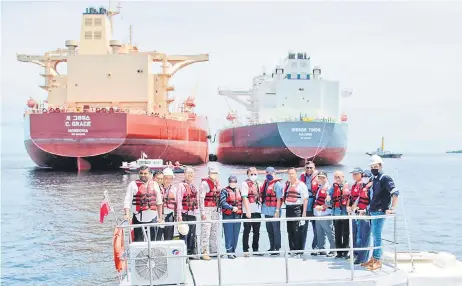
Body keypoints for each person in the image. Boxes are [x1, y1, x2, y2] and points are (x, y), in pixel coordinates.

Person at [363, 155, 399, 270]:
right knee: (374, 235)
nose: (373, 168)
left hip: (380, 211)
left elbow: (395, 192)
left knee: (377, 236)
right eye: (372, 166)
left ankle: (378, 260)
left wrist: (392, 208)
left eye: (376, 166)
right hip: (373, 211)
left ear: (381, 166)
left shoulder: (385, 178)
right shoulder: (374, 179)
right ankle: (373, 258)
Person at [124, 165, 164, 242]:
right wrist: (127, 214)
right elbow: (127, 200)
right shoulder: (133, 185)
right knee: (138, 241)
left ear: (149, 174)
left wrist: (160, 217)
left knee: (153, 241)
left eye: (145, 173)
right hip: (138, 217)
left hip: (153, 218)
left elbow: (159, 202)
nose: (143, 175)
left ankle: (152, 253)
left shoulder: (155, 184)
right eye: (141, 173)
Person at [349, 169, 373, 265]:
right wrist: (354, 207)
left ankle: (363, 258)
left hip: (366, 215)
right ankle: (359, 257)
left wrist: (366, 210)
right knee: (359, 236)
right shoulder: (363, 186)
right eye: (363, 177)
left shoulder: (371, 188)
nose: (364, 178)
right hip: (359, 214)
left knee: (365, 237)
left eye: (366, 177)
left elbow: (373, 201)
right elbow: (358, 199)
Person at [284, 167, 309, 258]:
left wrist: (304, 213)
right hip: (288, 209)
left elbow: (305, 199)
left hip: (297, 208)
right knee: (289, 230)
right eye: (289, 174)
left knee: (297, 230)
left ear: (296, 174)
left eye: (292, 173)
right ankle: (292, 250)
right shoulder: (288, 185)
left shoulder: (301, 185)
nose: (291, 175)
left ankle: (299, 251)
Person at [220, 175, 245, 259]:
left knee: (236, 234)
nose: (232, 183)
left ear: (236, 182)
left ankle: (233, 251)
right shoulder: (224, 191)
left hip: (237, 215)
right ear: (228, 182)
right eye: (231, 182)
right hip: (228, 215)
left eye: (234, 182)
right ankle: (229, 251)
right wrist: (231, 208)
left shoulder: (239, 190)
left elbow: (243, 201)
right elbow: (222, 203)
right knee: (228, 234)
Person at [176, 166, 199, 258]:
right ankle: (183, 254)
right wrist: (179, 215)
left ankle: (191, 252)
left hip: (193, 214)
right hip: (184, 214)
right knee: (184, 234)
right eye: (188, 173)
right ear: (184, 174)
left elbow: (196, 200)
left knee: (192, 234)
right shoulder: (181, 186)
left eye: (192, 173)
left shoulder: (194, 186)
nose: (190, 175)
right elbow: (179, 200)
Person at [260, 167, 283, 256]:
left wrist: (277, 210)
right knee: (269, 230)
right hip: (267, 211)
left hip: (274, 211)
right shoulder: (266, 183)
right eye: (267, 173)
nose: (268, 174)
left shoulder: (277, 184)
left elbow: (279, 198)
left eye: (270, 173)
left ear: (274, 173)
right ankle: (271, 246)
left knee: (276, 230)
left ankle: (277, 248)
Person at [199, 167, 220, 260]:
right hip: (207, 209)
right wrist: (202, 212)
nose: (214, 175)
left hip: (215, 209)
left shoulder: (216, 183)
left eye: (215, 173)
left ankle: (214, 250)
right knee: (205, 231)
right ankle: (204, 251)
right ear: (209, 173)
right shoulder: (204, 183)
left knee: (214, 231)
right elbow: (201, 199)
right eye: (212, 173)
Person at [313, 171, 335, 257]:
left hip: (325, 213)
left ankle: (333, 250)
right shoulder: (320, 188)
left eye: (323, 177)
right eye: (319, 177)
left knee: (329, 232)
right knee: (319, 232)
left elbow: (330, 201)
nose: (321, 179)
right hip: (318, 214)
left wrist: (322, 207)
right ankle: (321, 248)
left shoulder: (329, 188)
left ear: (326, 178)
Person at [241, 167, 262, 257]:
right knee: (247, 231)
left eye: (255, 174)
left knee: (257, 232)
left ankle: (256, 249)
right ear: (248, 175)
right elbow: (244, 197)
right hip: (248, 212)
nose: (253, 175)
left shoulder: (259, 183)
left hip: (257, 211)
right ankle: (245, 250)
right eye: (251, 174)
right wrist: (248, 211)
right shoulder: (244, 184)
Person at [299, 161, 319, 254]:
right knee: (302, 227)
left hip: (314, 204)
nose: (309, 169)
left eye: (311, 167)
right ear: (304, 168)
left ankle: (316, 247)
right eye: (307, 168)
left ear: (314, 168)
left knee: (316, 228)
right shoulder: (301, 177)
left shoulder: (319, 177)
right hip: (304, 205)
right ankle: (300, 249)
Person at [330, 171, 351, 259]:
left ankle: (346, 251)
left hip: (345, 213)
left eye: (339, 177)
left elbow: (352, 197)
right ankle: (339, 252)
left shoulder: (349, 186)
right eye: (335, 177)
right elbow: (329, 195)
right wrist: (328, 197)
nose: (337, 179)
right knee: (337, 233)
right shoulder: (333, 187)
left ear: (343, 176)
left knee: (346, 233)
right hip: (336, 212)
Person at [160, 168, 176, 241]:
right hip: (159, 216)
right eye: (166, 178)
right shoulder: (157, 188)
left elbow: (177, 204)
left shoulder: (174, 189)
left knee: (169, 237)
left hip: (169, 215)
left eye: (170, 178)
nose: (168, 180)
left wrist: (176, 216)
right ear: (162, 178)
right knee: (157, 238)